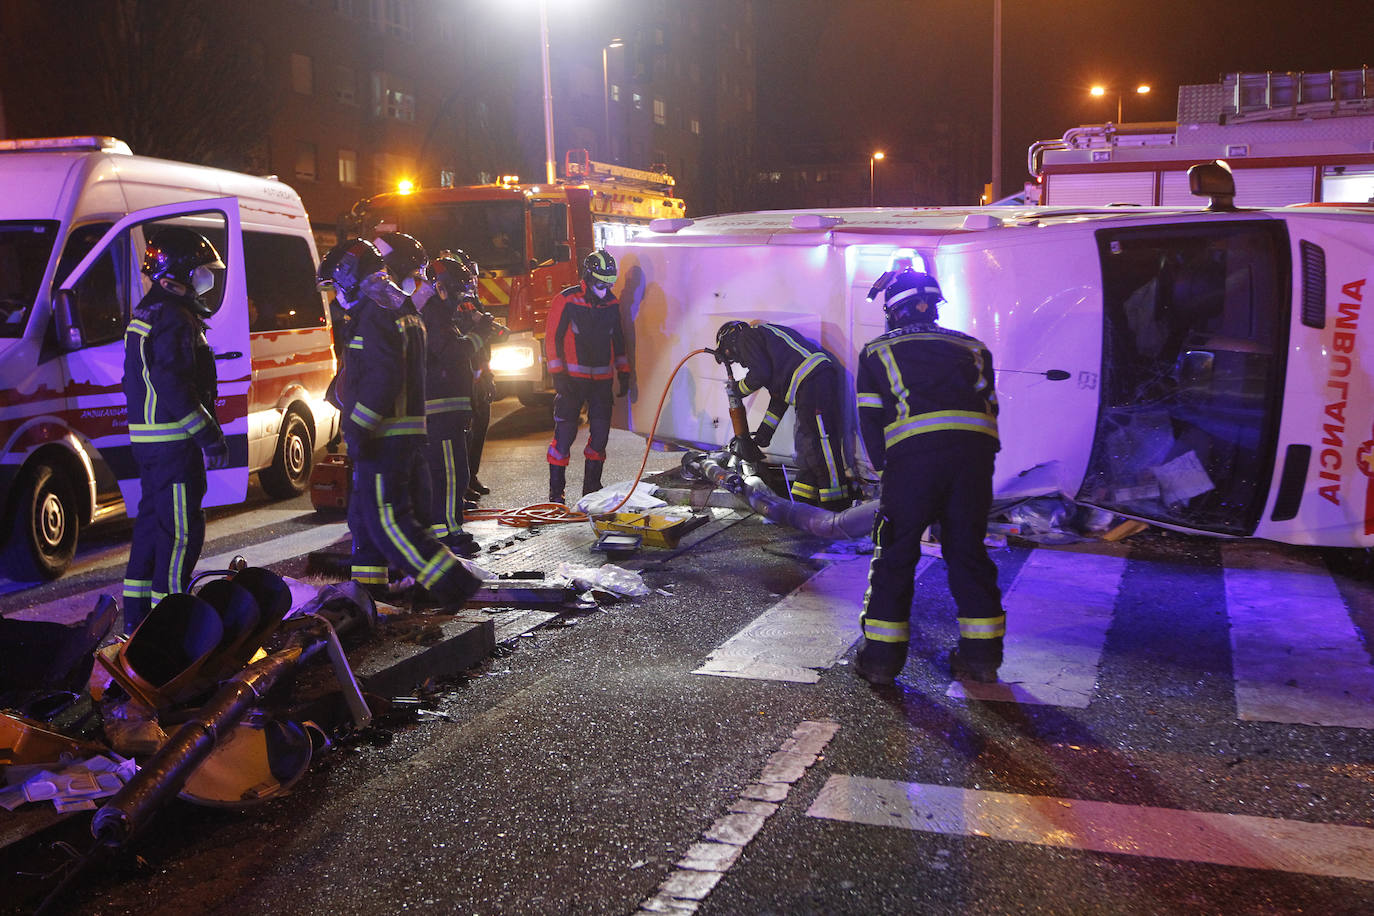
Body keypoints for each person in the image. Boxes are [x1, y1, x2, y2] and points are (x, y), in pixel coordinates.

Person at [852, 269, 1005, 685]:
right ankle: (982, 657)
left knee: (896, 553)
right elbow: (989, 407)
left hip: (914, 463)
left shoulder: (876, 352)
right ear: (934, 307)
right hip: (973, 460)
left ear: (893, 311)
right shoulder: (973, 347)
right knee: (968, 552)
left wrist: (885, 472)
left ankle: (881, 661)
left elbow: (871, 419)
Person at [317, 238, 483, 606]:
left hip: (384, 435)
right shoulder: (398, 305)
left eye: (334, 287)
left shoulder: (375, 311)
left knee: (387, 522)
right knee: (374, 518)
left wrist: (358, 429)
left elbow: (382, 377)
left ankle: (452, 584)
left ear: (347, 277)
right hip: (404, 434)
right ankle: (371, 591)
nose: (335, 297)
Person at [121, 227, 229, 633]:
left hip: (150, 446)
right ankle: (168, 629)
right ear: (178, 272)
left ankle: (137, 622)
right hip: (174, 446)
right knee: (181, 535)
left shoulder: (148, 312)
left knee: (152, 529)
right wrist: (209, 436)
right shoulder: (175, 317)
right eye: (201, 270)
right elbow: (175, 385)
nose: (207, 277)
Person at [714, 320, 850, 510]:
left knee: (821, 444)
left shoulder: (747, 335)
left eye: (733, 356)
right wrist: (763, 435)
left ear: (731, 340)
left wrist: (737, 389)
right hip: (810, 385)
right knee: (807, 448)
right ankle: (803, 506)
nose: (741, 361)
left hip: (814, 383)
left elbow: (759, 374)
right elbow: (778, 399)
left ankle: (836, 505)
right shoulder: (770, 350)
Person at [544, 249, 630, 504]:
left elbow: (618, 339)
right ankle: (556, 493)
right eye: (601, 284)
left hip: (601, 382)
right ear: (589, 278)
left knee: (600, 436)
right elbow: (552, 339)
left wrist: (623, 372)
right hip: (572, 382)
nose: (605, 289)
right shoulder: (567, 300)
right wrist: (558, 374)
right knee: (564, 438)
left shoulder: (611, 303)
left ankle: (592, 491)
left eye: (609, 284)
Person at [415, 252, 482, 557]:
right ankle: (448, 532)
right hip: (440, 410)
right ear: (442, 287)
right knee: (451, 473)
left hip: (446, 408)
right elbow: (452, 354)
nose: (460, 298)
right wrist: (480, 336)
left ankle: (446, 528)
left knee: (452, 472)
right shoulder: (434, 315)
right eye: (457, 290)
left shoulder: (439, 313)